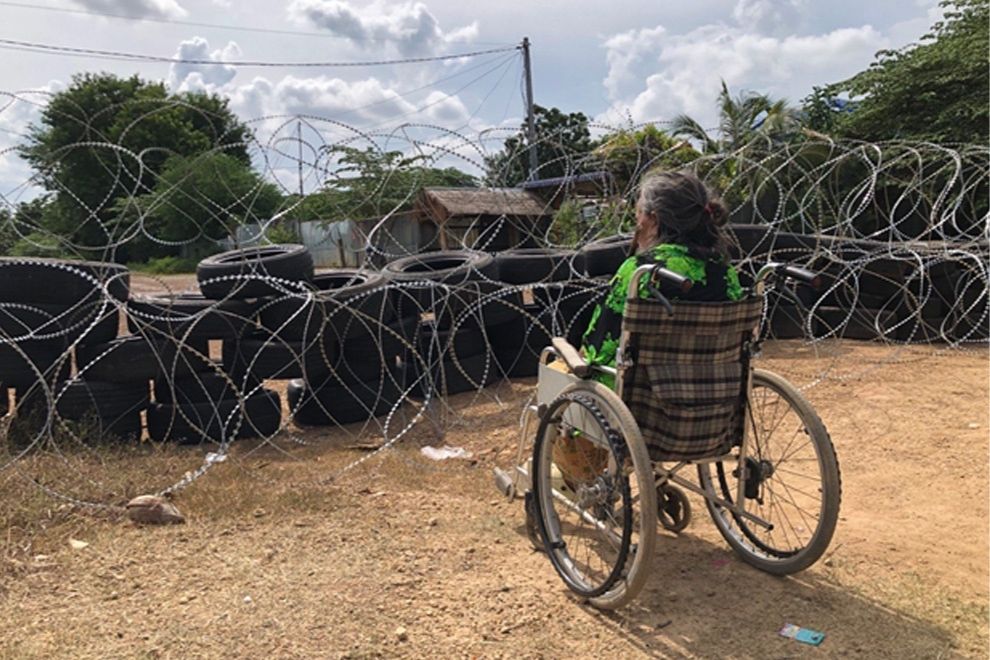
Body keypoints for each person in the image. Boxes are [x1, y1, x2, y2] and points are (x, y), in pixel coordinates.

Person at [581, 170, 744, 387]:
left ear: (654, 219)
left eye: (638, 213)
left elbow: (599, 349)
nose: (636, 221)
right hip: (712, 396)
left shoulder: (640, 271)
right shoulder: (724, 272)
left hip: (642, 399)